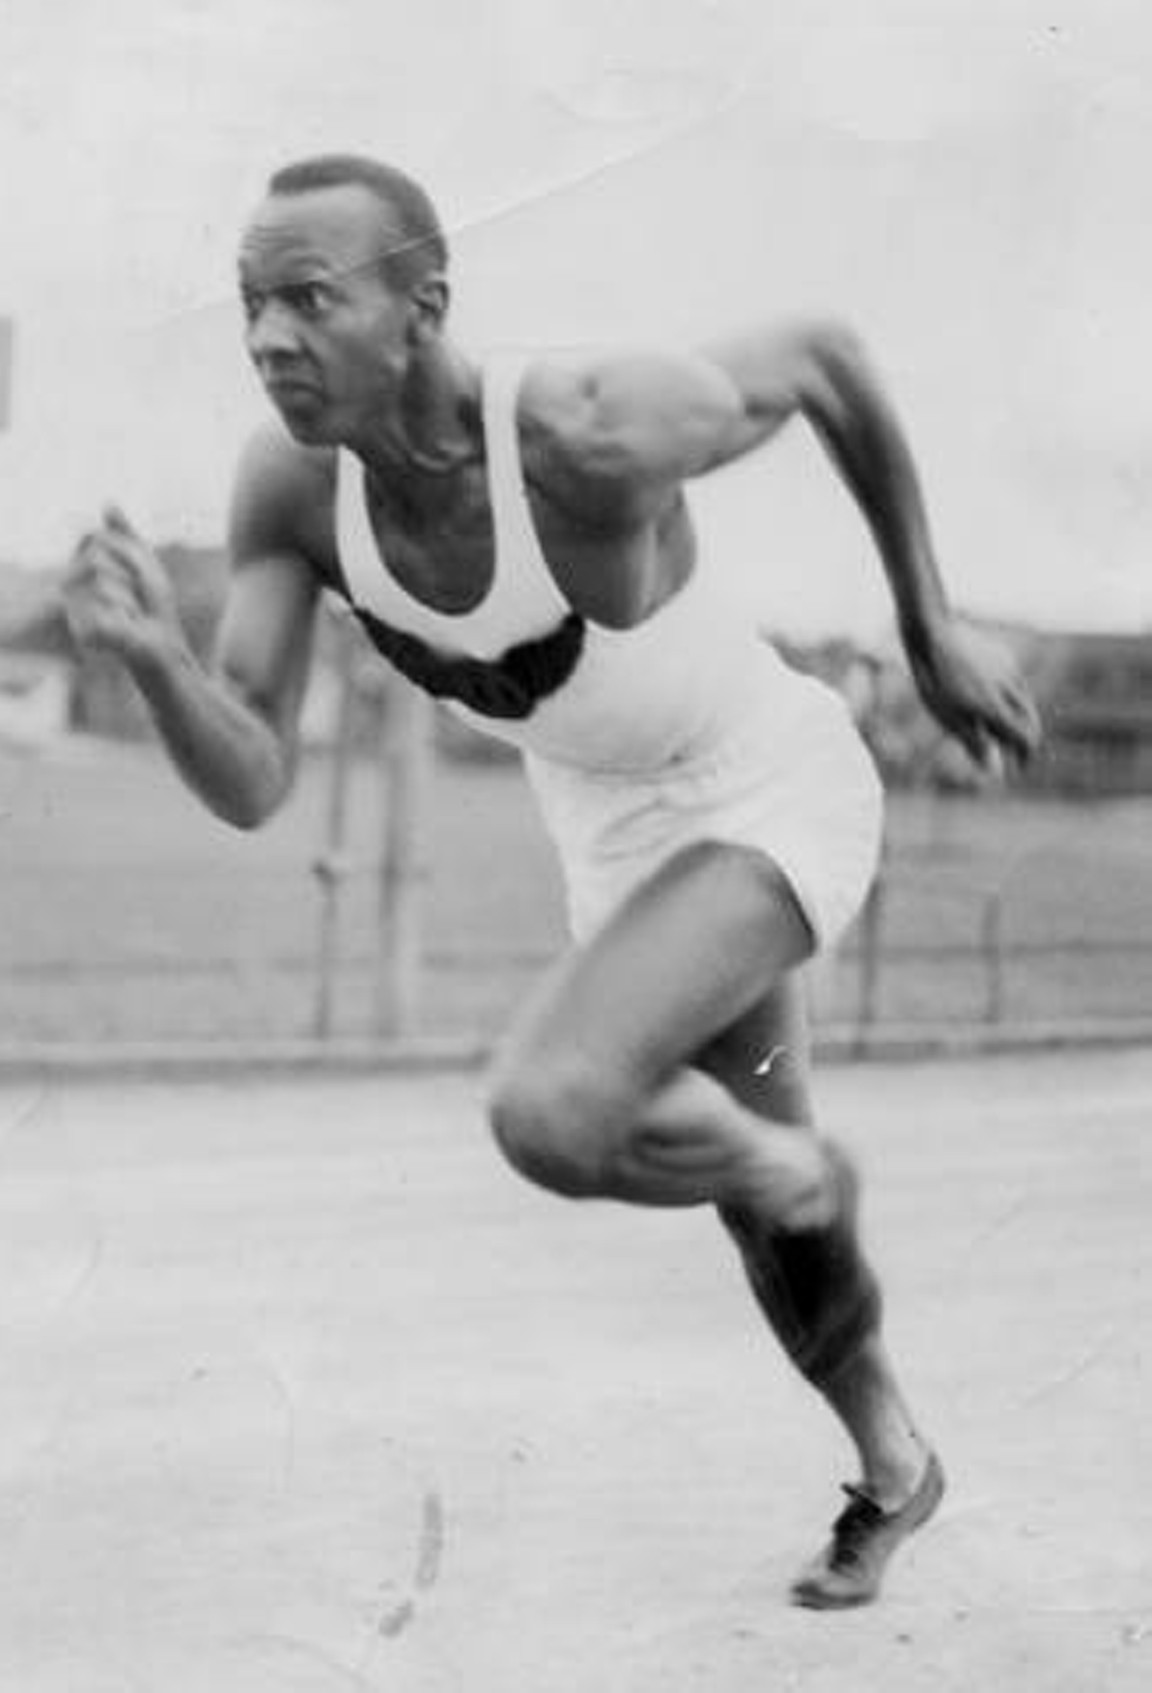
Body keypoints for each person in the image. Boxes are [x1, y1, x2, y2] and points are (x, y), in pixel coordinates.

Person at [64, 153, 1040, 1608]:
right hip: (614, 833)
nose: (270, 338)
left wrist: (932, 626)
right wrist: (154, 663)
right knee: (754, 1202)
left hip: (763, 779)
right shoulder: (292, 489)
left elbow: (827, 355)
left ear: (423, 307)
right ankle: (895, 1466)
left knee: (556, 1108)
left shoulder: (586, 428)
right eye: (252, 307)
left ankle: (794, 1172)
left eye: (311, 300)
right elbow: (258, 772)